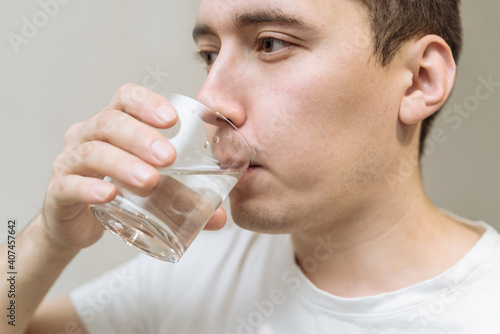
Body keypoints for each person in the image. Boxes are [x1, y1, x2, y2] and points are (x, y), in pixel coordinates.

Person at [2, 0, 500, 333]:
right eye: (209, 54)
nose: (211, 98)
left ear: (419, 81)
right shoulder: (207, 262)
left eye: (270, 43)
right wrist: (48, 241)